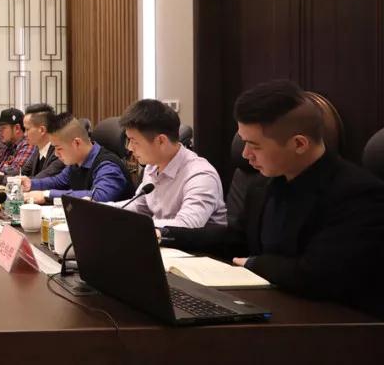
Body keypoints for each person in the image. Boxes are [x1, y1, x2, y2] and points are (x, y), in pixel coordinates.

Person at [161, 80, 384, 317]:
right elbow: (237, 240)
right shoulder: (262, 184)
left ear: (299, 144)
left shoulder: (359, 195)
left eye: (254, 145)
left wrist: (252, 263)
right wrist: (165, 234)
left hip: (336, 322)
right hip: (271, 305)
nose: (245, 154)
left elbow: (316, 275)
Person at [112, 100, 226, 228]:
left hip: (189, 241)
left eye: (134, 141)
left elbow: (187, 224)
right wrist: (98, 208)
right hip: (160, 237)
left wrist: (137, 225)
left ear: (161, 141)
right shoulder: (152, 166)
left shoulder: (200, 175)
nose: (129, 148)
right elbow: (138, 207)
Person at [22, 113, 132, 204]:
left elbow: (98, 197)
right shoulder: (76, 162)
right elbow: (58, 181)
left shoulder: (108, 166)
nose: (56, 154)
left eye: (58, 148)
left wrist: (47, 195)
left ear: (77, 143)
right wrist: (31, 184)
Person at [20, 103, 65, 180]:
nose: (25, 134)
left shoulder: (59, 152)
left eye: (27, 129)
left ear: (42, 130)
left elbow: (40, 180)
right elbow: (22, 173)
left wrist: (1, 178)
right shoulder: (38, 149)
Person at [0, 108, 36, 177]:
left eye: (3, 128)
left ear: (17, 128)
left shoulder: (27, 144)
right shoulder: (10, 145)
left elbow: (15, 171)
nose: (0, 132)